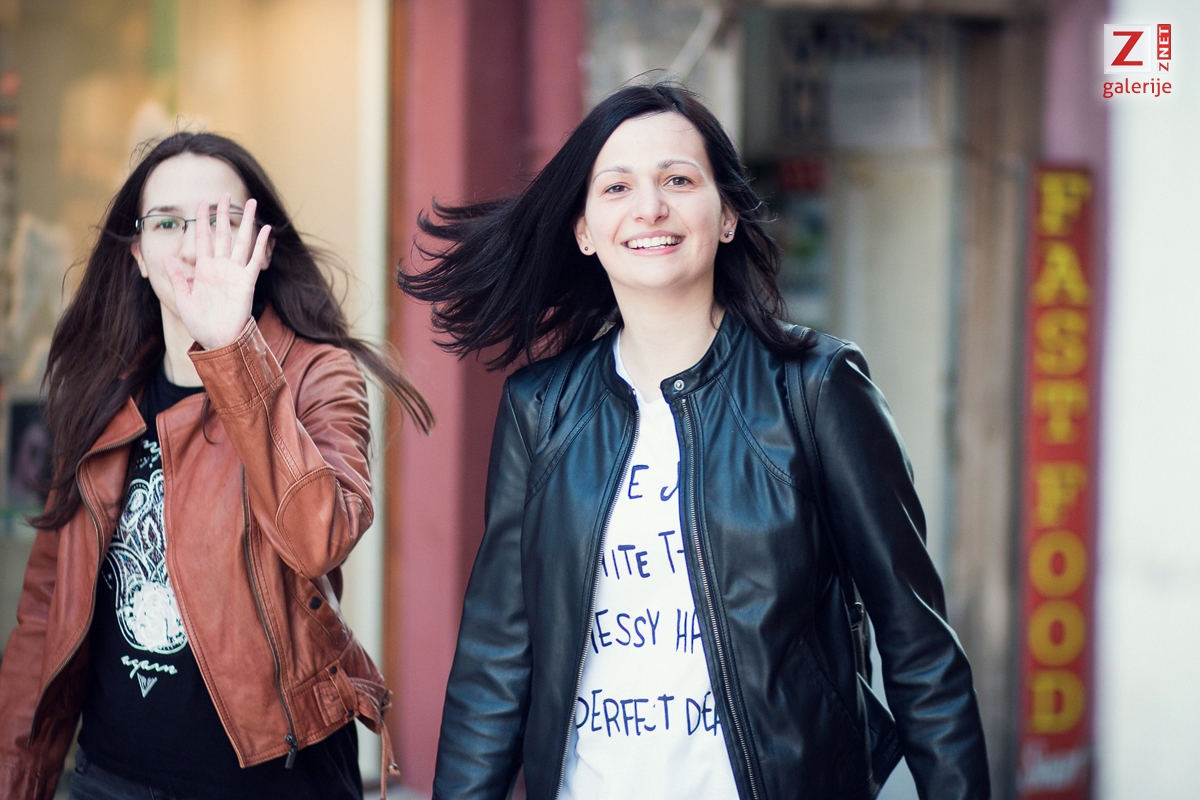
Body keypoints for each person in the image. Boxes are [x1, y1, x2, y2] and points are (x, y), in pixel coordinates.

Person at [399, 83, 990, 800]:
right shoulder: (542, 408)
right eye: (616, 187)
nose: (649, 208)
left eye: (678, 180)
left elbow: (919, 646)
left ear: (728, 214)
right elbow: (496, 658)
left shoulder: (815, 387)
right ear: (584, 229)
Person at [0, 132, 431, 800]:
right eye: (168, 223)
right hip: (110, 781)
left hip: (273, 782)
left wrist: (232, 348)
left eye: (222, 220)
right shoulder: (100, 392)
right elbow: (44, 609)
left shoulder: (318, 374)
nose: (195, 245)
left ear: (263, 246)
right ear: (138, 254)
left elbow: (318, 538)